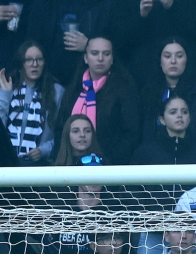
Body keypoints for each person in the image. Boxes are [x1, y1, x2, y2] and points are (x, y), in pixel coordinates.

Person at [55, 35, 140, 165]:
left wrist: (107, 162)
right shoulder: (74, 89)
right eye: (95, 53)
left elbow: (131, 134)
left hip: (109, 167)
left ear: (112, 59)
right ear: (85, 58)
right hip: (70, 165)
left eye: (106, 54)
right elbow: (61, 127)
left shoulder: (124, 89)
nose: (100, 59)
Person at [138, 37, 196, 149]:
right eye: (167, 56)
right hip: (156, 160)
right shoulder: (148, 92)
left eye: (179, 56)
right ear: (160, 61)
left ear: (187, 60)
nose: (173, 61)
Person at [0, 40, 64, 164]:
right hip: (7, 163)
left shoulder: (57, 92)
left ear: (44, 63)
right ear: (21, 63)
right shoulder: (9, 87)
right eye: (28, 60)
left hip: (40, 165)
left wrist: (44, 150)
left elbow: (62, 134)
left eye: (39, 59)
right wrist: (4, 94)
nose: (34, 64)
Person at [131, 96, 196, 165]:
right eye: (173, 112)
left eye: (184, 112)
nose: (179, 115)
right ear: (162, 120)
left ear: (189, 119)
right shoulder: (145, 152)